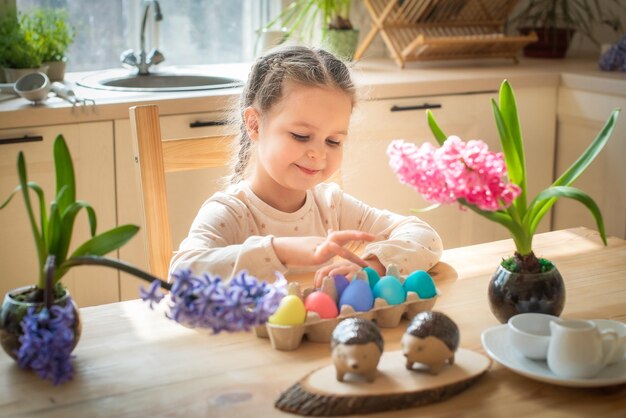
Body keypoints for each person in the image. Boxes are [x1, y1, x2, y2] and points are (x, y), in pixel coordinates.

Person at [169, 45, 443, 286]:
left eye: (333, 141)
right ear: (254, 124)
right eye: (301, 136)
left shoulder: (331, 205)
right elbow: (180, 275)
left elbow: (425, 237)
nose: (318, 154)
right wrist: (280, 250)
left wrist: (373, 266)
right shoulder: (231, 213)